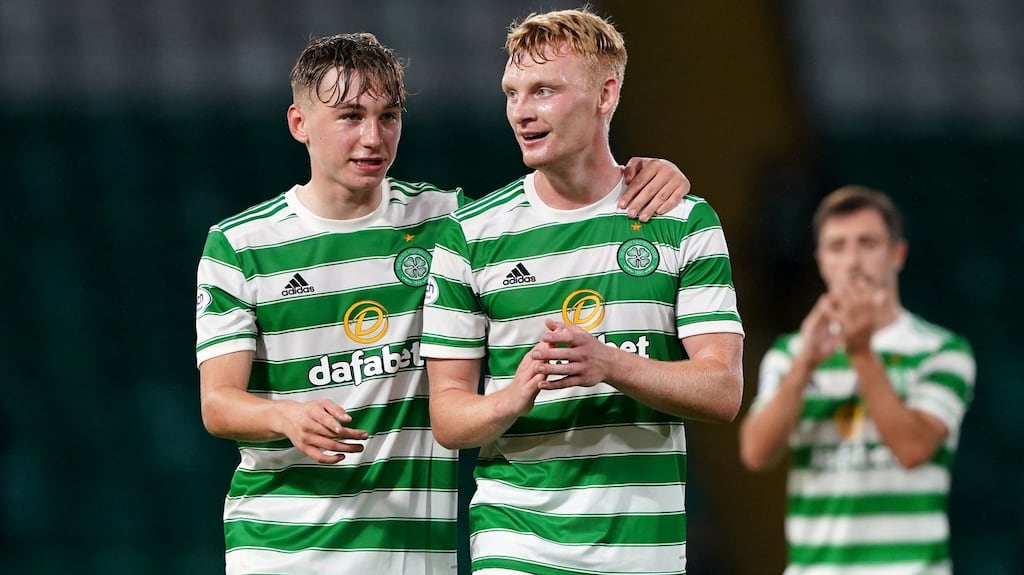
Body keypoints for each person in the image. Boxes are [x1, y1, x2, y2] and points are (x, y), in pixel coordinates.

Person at [195, 32, 693, 575]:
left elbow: (550, 209)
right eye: (349, 117)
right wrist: (285, 416)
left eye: (388, 116)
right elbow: (218, 403)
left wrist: (658, 174)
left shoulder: (446, 222)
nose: (373, 138)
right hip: (281, 548)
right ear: (299, 124)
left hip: (415, 555)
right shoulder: (240, 244)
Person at [421, 9, 745, 575]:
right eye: (513, 92)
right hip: (516, 543)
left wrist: (608, 364)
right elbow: (449, 418)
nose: (522, 111)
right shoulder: (469, 236)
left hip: (642, 549)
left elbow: (721, 389)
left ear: (605, 94)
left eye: (544, 90)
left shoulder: (682, 221)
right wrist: (514, 395)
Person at [739, 186, 975, 574]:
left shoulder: (941, 350)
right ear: (820, 261)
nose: (852, 260)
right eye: (837, 246)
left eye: (868, 243)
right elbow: (756, 453)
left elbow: (913, 450)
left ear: (897, 254)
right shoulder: (790, 353)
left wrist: (860, 352)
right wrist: (803, 367)